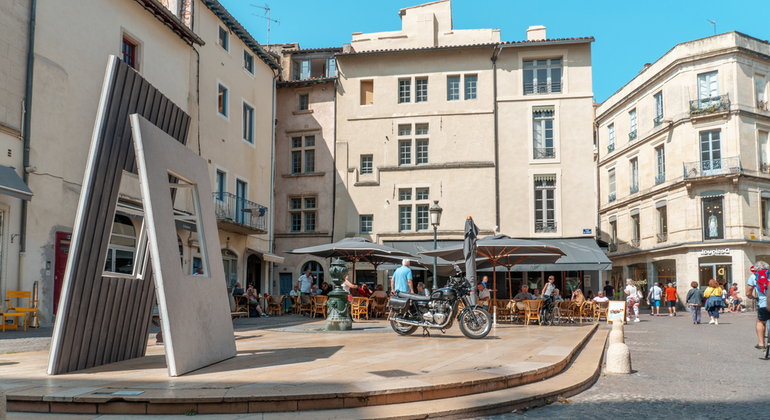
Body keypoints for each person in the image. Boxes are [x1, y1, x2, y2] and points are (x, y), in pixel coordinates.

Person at [747, 261, 770, 349]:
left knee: (760, 321)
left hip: (764, 304)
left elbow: (748, 293)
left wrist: (752, 297)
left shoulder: (753, 277)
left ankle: (761, 344)